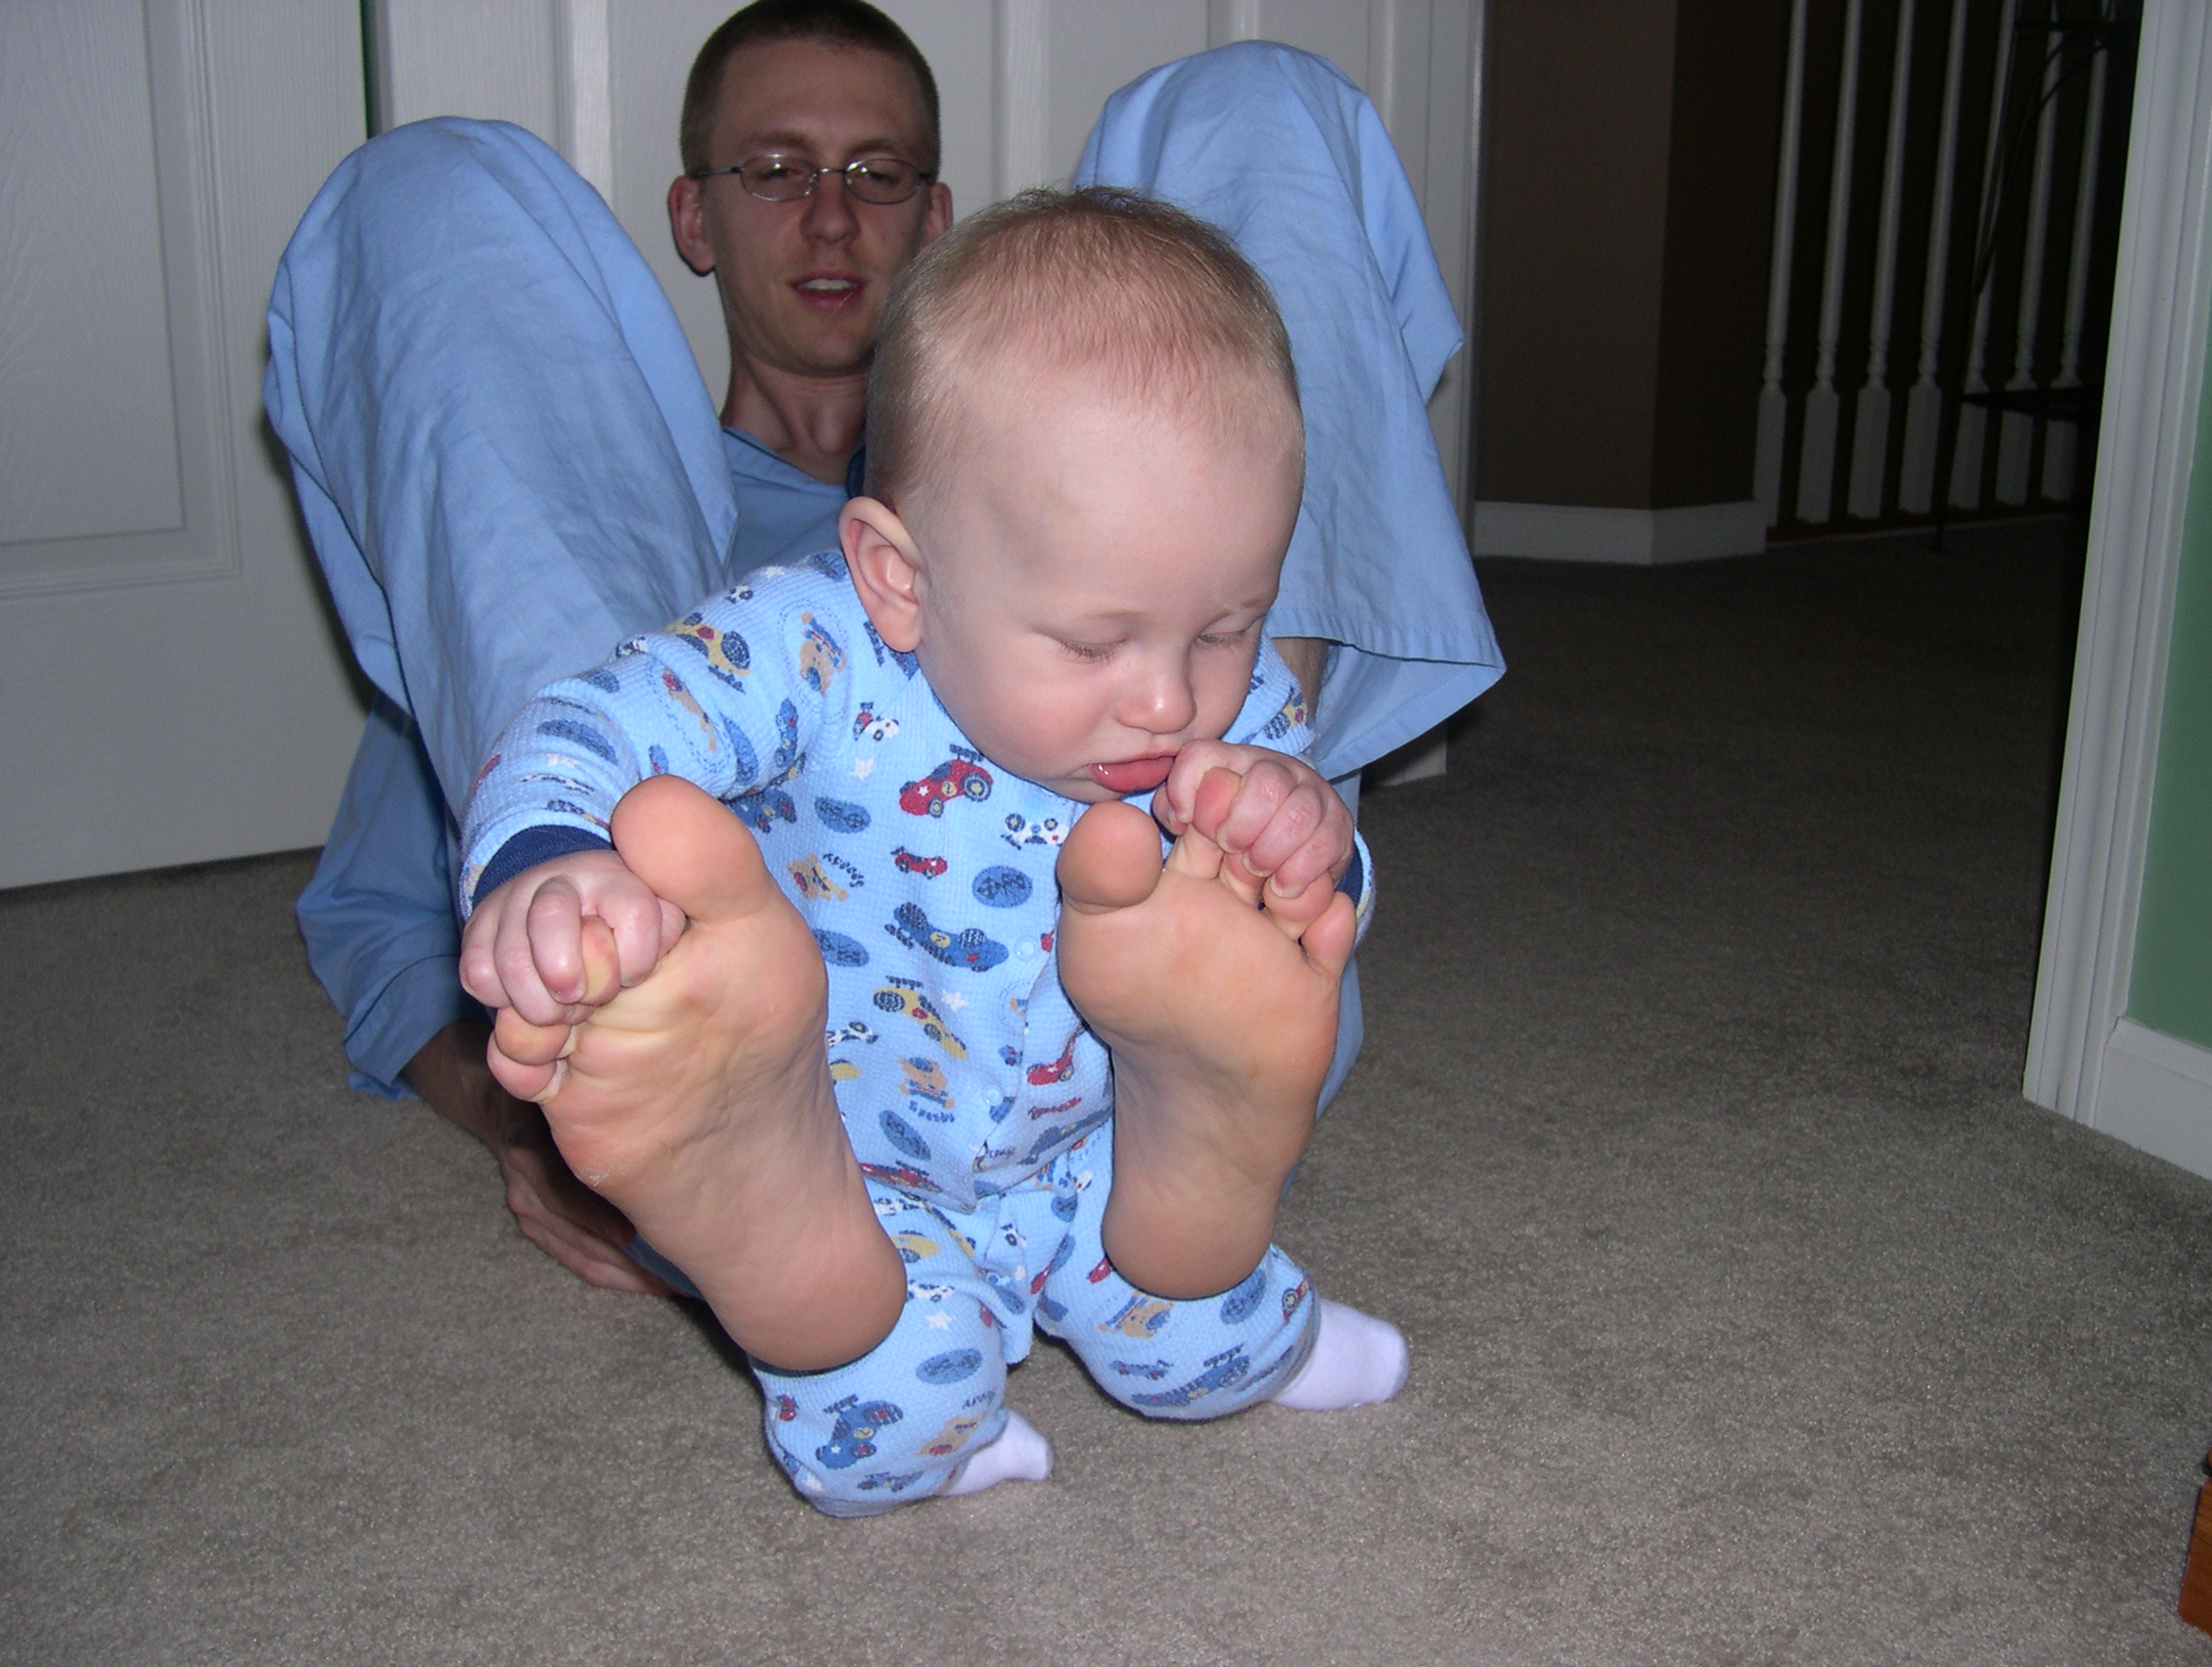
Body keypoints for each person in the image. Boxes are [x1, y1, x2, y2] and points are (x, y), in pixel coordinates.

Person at [265, 0, 1502, 1295]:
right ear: (694, 219)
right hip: (800, 1042)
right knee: (425, 188)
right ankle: (638, 1031)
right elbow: (375, 916)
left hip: (1159, 849)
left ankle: (1242, 836)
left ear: (936, 218)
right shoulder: (593, 546)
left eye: (877, 173)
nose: (831, 216)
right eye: (777, 171)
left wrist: (1180, 646)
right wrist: (516, 1111)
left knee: (1254, 101)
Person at [456, 190, 1411, 1512]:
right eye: (1094, 640)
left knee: (1201, 1329)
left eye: (1226, 624)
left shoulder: (1240, 727)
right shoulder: (810, 649)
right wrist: (548, 865)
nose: (1171, 700)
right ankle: (774, 1216)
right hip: (851, 1157)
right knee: (889, 1414)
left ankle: (1214, 1169)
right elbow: (582, 727)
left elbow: (1320, 887)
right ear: (899, 578)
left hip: (1100, 1144)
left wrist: (1308, 850)